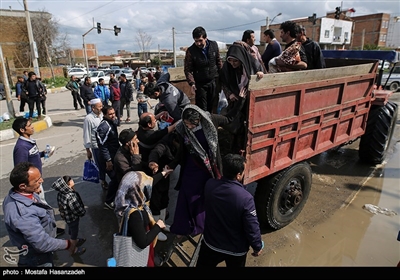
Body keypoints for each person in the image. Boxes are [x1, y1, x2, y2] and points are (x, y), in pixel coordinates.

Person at [166, 102, 244, 237]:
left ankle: (199, 226)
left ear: (200, 119)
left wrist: (240, 100)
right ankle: (182, 227)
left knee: (201, 197)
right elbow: (182, 151)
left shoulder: (211, 119)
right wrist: (172, 165)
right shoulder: (182, 128)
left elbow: (229, 118)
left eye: (192, 124)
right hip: (191, 166)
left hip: (207, 168)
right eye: (187, 124)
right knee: (186, 195)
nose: (189, 127)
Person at [196, 153, 263, 267]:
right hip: (236, 250)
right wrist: (257, 246)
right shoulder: (246, 199)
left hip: (211, 244)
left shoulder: (210, 185)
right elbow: (252, 227)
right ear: (238, 175)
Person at [3, 162, 75, 267]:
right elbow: (42, 244)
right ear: (23, 186)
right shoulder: (23, 213)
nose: (42, 181)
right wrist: (68, 244)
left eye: (40, 177)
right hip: (37, 260)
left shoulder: (20, 194)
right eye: (37, 181)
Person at [113, 170, 171, 267]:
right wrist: (158, 226)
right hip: (139, 254)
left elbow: (151, 181)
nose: (148, 189)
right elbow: (143, 242)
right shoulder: (134, 214)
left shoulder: (126, 201)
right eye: (145, 187)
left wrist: (164, 173)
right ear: (139, 190)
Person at [184, 26, 223, 113]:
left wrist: (223, 77)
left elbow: (219, 62)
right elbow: (188, 69)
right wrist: (192, 83)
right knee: (202, 109)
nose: (198, 43)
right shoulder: (191, 51)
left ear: (206, 38)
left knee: (213, 106)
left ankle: (212, 124)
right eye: (196, 41)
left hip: (213, 81)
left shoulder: (214, 45)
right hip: (200, 84)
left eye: (200, 40)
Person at [51, 175, 87, 256]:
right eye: (71, 180)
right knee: (74, 233)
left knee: (71, 229)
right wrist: (82, 212)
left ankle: (75, 241)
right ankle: (73, 249)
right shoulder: (70, 196)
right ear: (68, 184)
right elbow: (76, 208)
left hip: (66, 217)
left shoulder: (61, 193)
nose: (73, 181)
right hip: (73, 218)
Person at [96, 105, 120, 210]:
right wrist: (108, 160)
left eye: (114, 113)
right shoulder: (104, 126)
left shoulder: (111, 122)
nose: (113, 115)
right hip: (107, 158)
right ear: (104, 114)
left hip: (114, 154)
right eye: (110, 114)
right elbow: (102, 145)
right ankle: (109, 201)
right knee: (115, 179)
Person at [83, 98, 108, 190]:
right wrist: (88, 150)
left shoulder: (103, 115)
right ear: (93, 108)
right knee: (101, 165)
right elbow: (86, 134)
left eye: (102, 106)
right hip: (96, 147)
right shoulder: (88, 119)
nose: (101, 108)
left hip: (106, 145)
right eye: (99, 107)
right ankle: (103, 181)